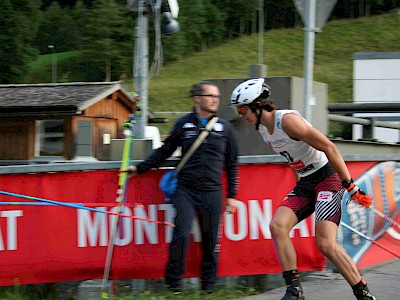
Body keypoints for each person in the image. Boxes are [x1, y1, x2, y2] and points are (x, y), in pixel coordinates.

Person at [230, 78, 376, 300]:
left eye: (242, 109)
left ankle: (363, 293)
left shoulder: (287, 122)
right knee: (277, 226)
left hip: (328, 178)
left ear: (257, 105)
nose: (241, 115)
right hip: (307, 183)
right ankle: (294, 290)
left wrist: (350, 185)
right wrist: (301, 183)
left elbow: (329, 146)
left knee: (325, 244)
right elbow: (294, 158)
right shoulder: (263, 129)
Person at [125, 81, 239, 294]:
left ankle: (208, 288)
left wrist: (232, 195)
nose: (215, 100)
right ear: (197, 99)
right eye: (210, 95)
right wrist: (140, 168)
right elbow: (165, 151)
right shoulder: (183, 124)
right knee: (182, 235)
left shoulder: (226, 127)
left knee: (210, 242)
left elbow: (232, 164)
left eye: (217, 96)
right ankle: (173, 285)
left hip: (212, 192)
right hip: (185, 190)